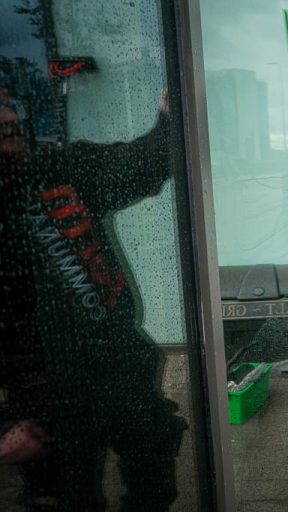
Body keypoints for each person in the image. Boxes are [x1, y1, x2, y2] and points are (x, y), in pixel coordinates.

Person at [1, 86, 187, 511]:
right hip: (41, 386)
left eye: (9, 108)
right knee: (67, 497)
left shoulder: (59, 167)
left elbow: (140, 164)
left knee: (153, 461)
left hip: (115, 354)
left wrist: (169, 117)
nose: (6, 120)